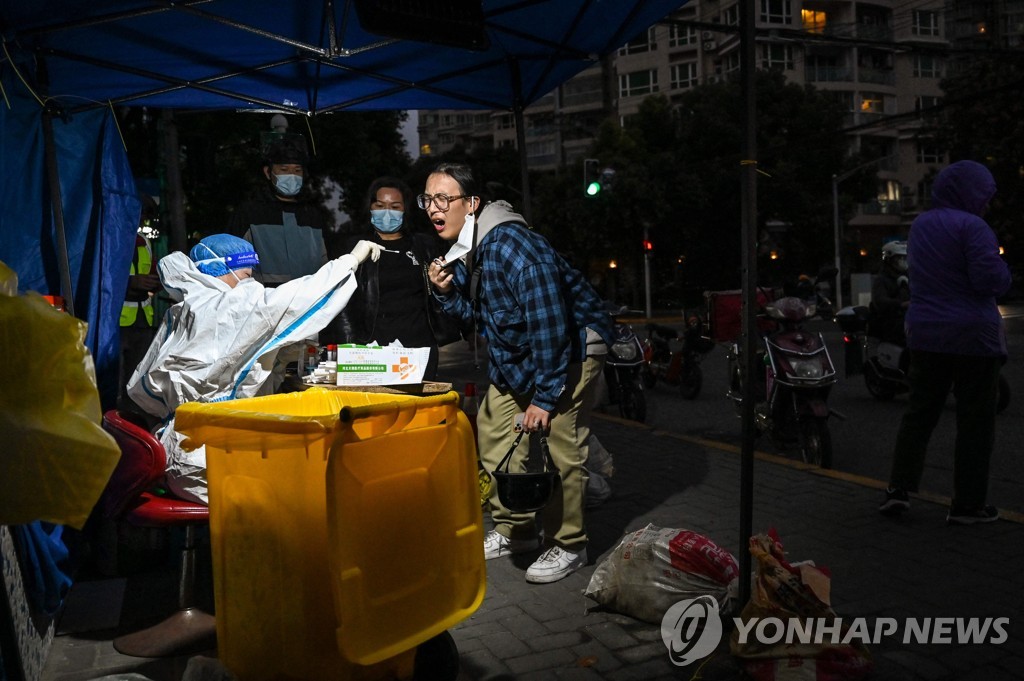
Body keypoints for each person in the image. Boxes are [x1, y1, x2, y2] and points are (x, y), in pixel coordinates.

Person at [424, 163, 613, 584]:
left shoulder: (513, 247)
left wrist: (545, 399)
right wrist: (448, 292)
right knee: (493, 427)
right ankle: (519, 532)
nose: (434, 208)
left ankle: (570, 545)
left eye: (444, 199)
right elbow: (483, 320)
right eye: (428, 200)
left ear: (472, 204)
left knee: (559, 442)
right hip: (527, 354)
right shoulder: (470, 251)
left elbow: (549, 326)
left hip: (571, 349)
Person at [127, 233, 383, 504]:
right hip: (208, 458)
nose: (250, 282)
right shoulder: (224, 307)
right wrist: (350, 260)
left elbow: (147, 392)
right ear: (222, 269)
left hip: (181, 448)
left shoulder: (188, 306)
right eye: (246, 274)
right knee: (310, 487)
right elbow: (292, 301)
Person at [878, 160, 1011, 524]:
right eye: (984, 196)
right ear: (970, 193)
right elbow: (989, 281)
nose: (986, 204)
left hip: (925, 333)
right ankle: (968, 505)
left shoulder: (920, 225)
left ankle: (899, 489)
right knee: (975, 422)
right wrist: (1004, 270)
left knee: (920, 413)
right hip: (972, 337)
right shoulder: (975, 227)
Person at [329, 176, 463, 380]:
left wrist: (466, 328)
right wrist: (346, 346)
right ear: (370, 207)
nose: (387, 211)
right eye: (380, 205)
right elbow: (340, 302)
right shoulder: (355, 249)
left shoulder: (424, 246)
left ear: (405, 210)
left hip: (418, 348)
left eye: (394, 206)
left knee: (418, 408)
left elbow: (443, 290)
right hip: (370, 351)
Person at [227, 136, 329, 287]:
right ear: (268, 172)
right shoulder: (250, 213)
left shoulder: (313, 216)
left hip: (309, 300)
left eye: (297, 170)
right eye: (284, 169)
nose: (291, 175)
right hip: (264, 301)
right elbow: (234, 261)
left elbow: (325, 263)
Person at [118, 231, 162, 411]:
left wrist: (157, 282)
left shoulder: (144, 241)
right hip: (116, 322)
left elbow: (151, 269)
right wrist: (130, 282)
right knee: (113, 378)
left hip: (143, 320)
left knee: (136, 379)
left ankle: (131, 420)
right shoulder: (113, 236)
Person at [868, 241, 910, 345]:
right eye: (899, 258)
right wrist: (901, 304)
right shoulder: (882, 280)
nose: (903, 261)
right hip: (891, 324)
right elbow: (880, 301)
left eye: (905, 258)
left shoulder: (910, 278)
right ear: (889, 260)